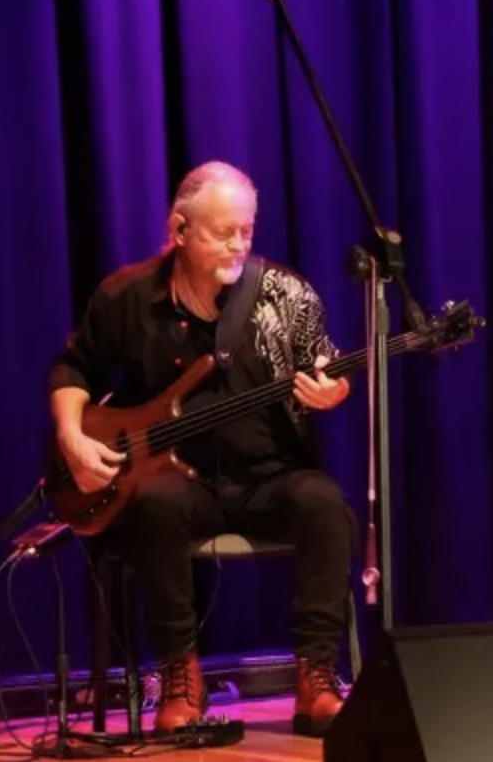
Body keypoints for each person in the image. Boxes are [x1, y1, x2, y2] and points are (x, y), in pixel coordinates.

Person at [49, 162, 356, 737]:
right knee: (153, 503)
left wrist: (332, 391)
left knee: (325, 505)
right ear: (180, 228)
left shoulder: (287, 294)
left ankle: (316, 675)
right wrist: (72, 437)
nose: (239, 244)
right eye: (223, 232)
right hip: (180, 481)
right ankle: (180, 676)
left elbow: (327, 366)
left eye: (247, 230)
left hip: (271, 475)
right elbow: (74, 368)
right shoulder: (127, 295)